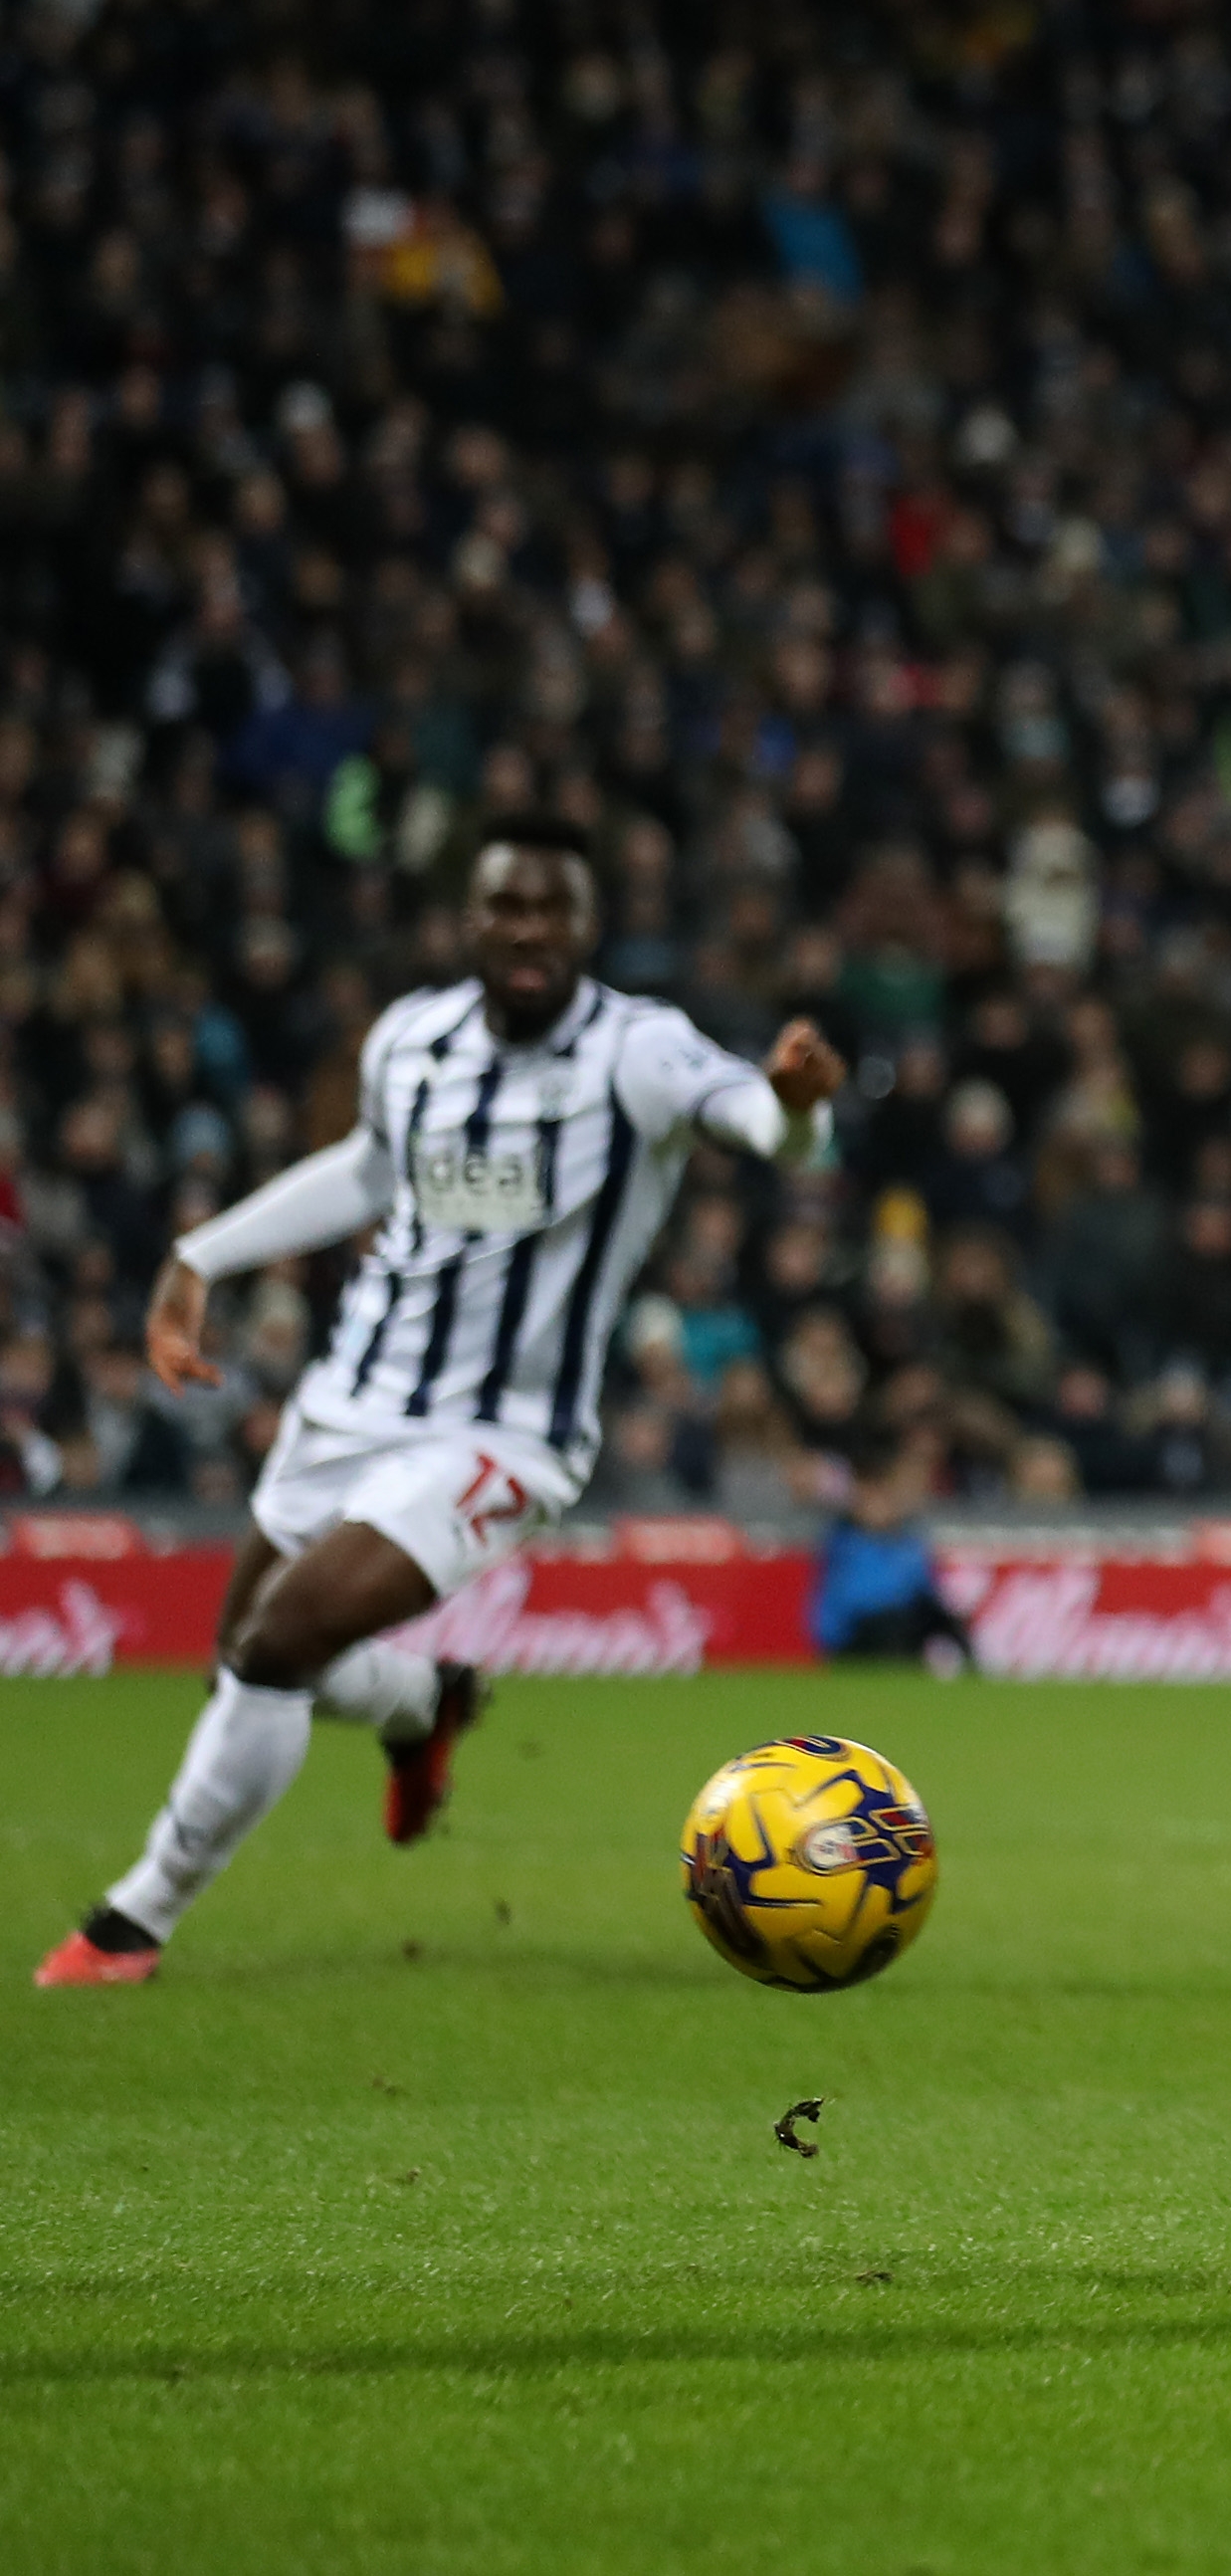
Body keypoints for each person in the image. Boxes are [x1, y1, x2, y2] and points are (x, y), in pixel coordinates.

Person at [34, 813, 844, 1987]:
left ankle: (132, 1921)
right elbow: (371, 1169)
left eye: (551, 911)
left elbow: (769, 1129)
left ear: (586, 927)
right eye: (505, 908)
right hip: (352, 1397)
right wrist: (200, 1257)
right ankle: (426, 1705)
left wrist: (801, 1104)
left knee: (284, 1643)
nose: (527, 932)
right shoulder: (411, 1038)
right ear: (471, 920)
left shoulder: (639, 1051)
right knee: (242, 1660)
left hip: (502, 1433)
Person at [812, 1427, 977, 1674]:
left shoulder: (908, 1542)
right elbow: (849, 1600)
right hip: (859, 1630)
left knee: (944, 1620)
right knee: (890, 1625)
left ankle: (971, 1678)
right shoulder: (844, 1540)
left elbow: (925, 1591)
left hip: (903, 1621)